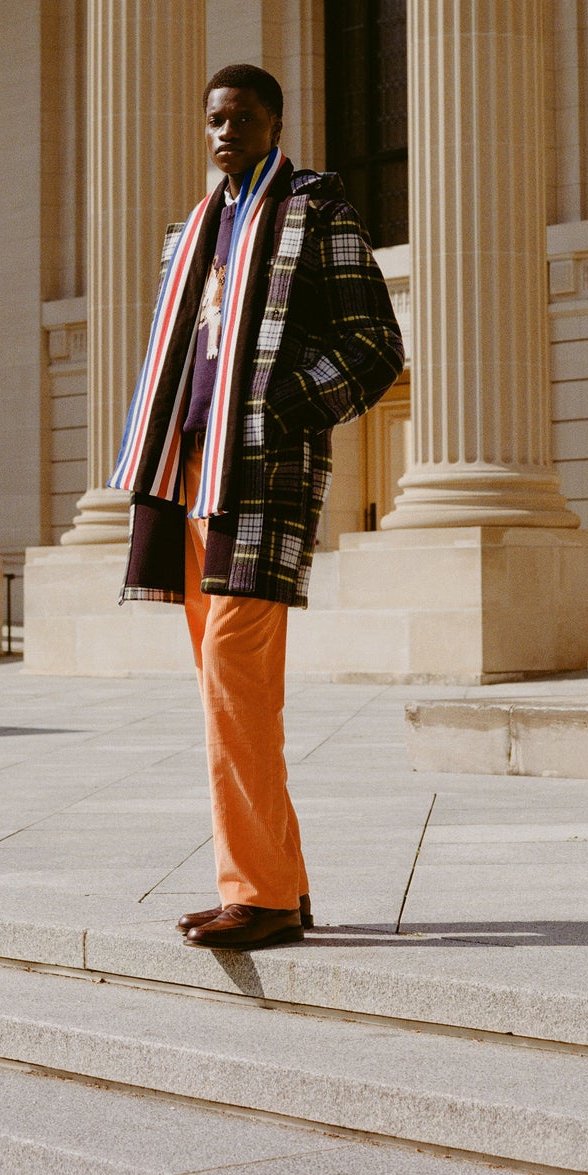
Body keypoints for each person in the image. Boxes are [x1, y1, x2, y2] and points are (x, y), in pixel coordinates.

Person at [110, 63, 404, 950]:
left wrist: (279, 405)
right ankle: (280, 882)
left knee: (233, 674)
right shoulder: (193, 230)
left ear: (275, 123)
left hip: (262, 477)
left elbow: (374, 345)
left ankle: (259, 894)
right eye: (214, 120)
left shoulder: (318, 212)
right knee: (231, 692)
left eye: (240, 118)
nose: (224, 133)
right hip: (189, 477)